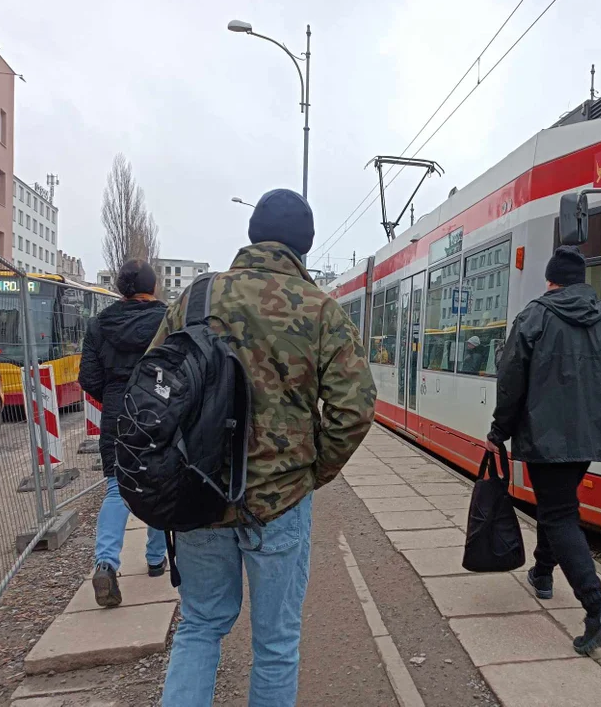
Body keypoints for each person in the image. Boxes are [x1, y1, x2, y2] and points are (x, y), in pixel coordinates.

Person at [157, 188, 377, 707]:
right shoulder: (320, 309)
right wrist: (310, 473)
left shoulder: (196, 299)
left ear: (253, 234)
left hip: (198, 496)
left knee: (200, 626)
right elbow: (355, 410)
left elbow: (156, 391)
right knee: (275, 644)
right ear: (305, 246)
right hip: (277, 506)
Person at [487, 246, 601, 656]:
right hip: (589, 437)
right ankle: (543, 573)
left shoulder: (535, 316)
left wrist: (499, 430)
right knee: (559, 505)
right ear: (582, 281)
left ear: (550, 280)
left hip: (544, 434)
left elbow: (510, 378)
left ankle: (597, 606)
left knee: (559, 513)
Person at [78, 259, 168, 607]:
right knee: (158, 485)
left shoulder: (98, 325)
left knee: (117, 488)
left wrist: (114, 399)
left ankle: (106, 563)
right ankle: (156, 559)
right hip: (158, 412)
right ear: (153, 287)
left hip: (117, 415)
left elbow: (88, 378)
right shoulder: (166, 320)